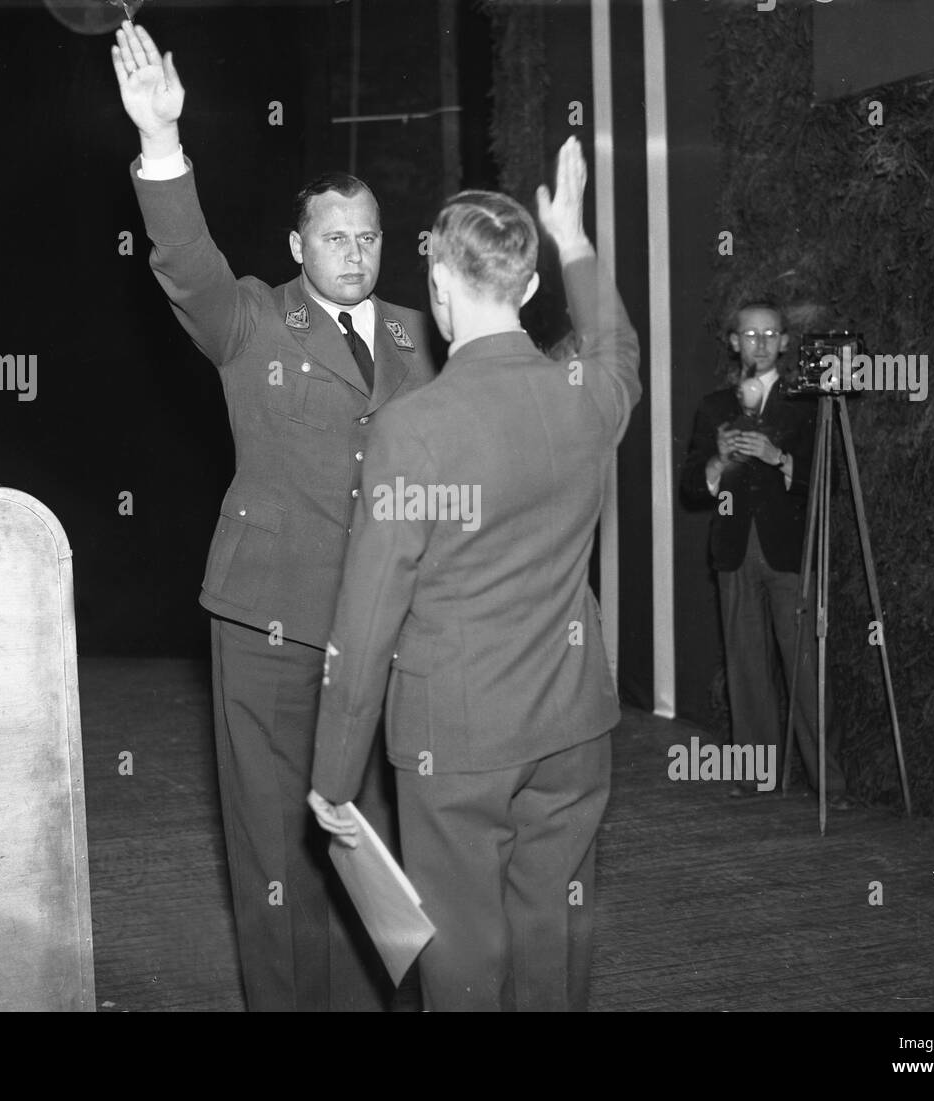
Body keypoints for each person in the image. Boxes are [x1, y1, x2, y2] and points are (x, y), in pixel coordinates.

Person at [111, 21, 436, 1010]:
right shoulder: (250, 317)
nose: (354, 252)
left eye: (369, 235)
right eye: (334, 236)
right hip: (268, 622)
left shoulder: (425, 338)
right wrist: (162, 144)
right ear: (299, 246)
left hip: (385, 630)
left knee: (369, 841)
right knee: (271, 844)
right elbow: (184, 261)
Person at [307, 137, 641, 1011]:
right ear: (529, 289)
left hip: (454, 740)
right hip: (573, 728)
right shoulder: (586, 396)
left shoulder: (413, 428)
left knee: (461, 969)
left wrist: (335, 779)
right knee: (551, 946)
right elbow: (618, 347)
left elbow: (367, 620)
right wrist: (572, 235)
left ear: (440, 290)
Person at [679, 300, 849, 806]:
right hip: (733, 553)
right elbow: (691, 487)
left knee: (807, 670)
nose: (759, 344)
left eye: (769, 334)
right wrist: (717, 461)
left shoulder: (806, 405)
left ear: (784, 343)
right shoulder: (714, 407)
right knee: (746, 670)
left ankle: (829, 785)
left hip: (790, 554)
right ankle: (757, 777)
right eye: (749, 336)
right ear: (733, 342)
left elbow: (830, 481)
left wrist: (781, 459)